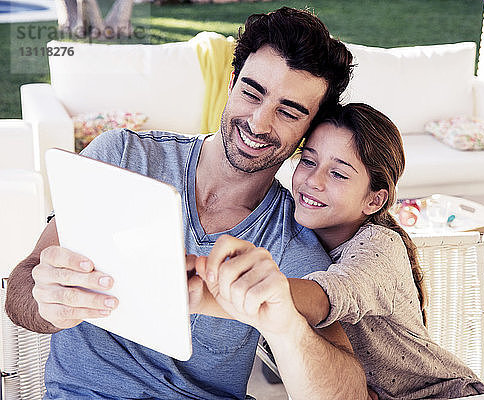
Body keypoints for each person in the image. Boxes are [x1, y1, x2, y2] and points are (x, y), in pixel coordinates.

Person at [5, 8, 372, 400]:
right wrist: (47, 303)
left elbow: (348, 393)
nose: (260, 123)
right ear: (231, 83)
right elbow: (21, 288)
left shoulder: (294, 243)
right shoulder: (122, 157)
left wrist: (285, 324)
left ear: (309, 129)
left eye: (289, 111)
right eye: (252, 92)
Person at [198, 103, 484, 399]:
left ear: (374, 201)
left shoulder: (380, 247)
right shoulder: (287, 228)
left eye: (338, 174)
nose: (314, 181)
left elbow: (328, 296)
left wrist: (199, 291)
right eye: (309, 161)